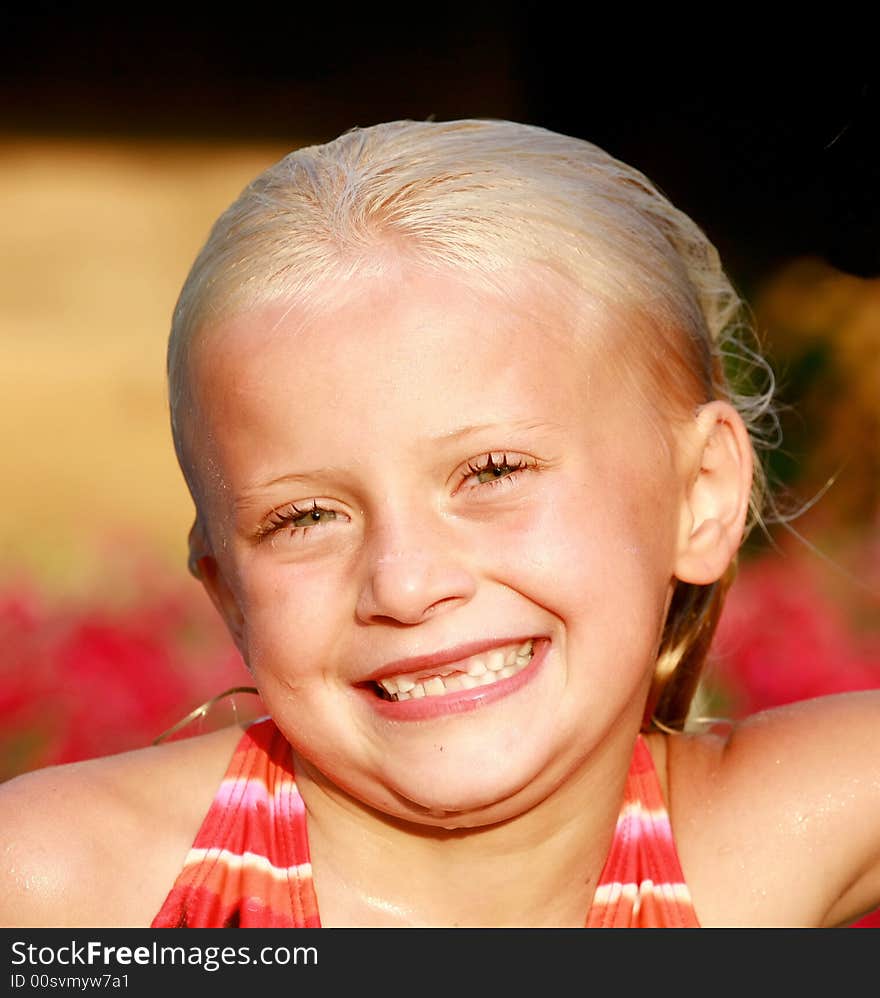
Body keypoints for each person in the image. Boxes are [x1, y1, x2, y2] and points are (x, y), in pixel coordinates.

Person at [1, 118, 878, 929]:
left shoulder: (758, 842)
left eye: (492, 472)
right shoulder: (70, 890)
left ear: (703, 494)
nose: (407, 582)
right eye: (306, 517)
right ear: (228, 590)